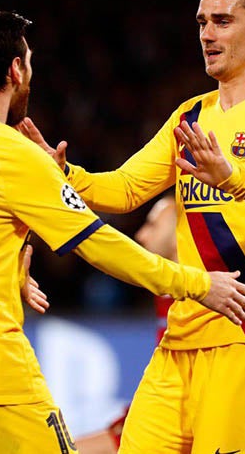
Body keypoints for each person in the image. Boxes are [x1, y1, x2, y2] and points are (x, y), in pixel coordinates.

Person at [0, 9, 245, 453]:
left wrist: (9, 274)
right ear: (14, 70)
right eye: (29, 62)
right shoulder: (11, 152)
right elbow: (99, 244)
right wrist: (196, 284)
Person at [21, 0, 245, 453]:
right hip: (181, 337)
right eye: (202, 22)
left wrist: (233, 177)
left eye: (223, 21)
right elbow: (125, 189)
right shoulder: (189, 116)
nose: (208, 33)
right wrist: (63, 175)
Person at [74, 194, 179, 454]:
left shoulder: (216, 297)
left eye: (153, 224)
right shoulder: (164, 292)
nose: (141, 235)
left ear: (182, 229)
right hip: (165, 417)